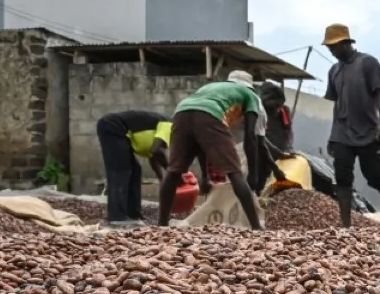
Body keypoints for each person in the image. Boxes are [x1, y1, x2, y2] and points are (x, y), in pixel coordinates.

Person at [157, 72, 263, 230]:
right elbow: (250, 137)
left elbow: (202, 144)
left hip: (181, 112)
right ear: (250, 87)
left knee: (173, 171)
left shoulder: (211, 87)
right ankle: (256, 227)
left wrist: (205, 177)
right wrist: (254, 174)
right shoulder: (250, 95)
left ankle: (162, 224)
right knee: (235, 173)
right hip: (210, 114)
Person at [322, 23, 380, 229]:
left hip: (367, 131)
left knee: (373, 176)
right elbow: (336, 104)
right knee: (342, 178)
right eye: (328, 48)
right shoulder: (334, 71)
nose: (331, 51)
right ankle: (345, 225)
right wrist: (332, 135)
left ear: (345, 43)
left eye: (333, 47)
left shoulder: (368, 63)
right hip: (342, 132)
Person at [96, 110, 173, 226]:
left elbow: (153, 156)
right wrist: (172, 171)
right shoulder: (168, 124)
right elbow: (156, 151)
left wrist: (162, 179)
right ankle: (117, 217)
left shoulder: (163, 132)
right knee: (120, 170)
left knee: (135, 171)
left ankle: (133, 214)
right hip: (113, 126)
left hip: (119, 132)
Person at [259, 81, 294, 153]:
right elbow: (288, 128)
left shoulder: (260, 107)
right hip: (280, 146)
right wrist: (288, 146)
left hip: (265, 145)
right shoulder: (284, 108)